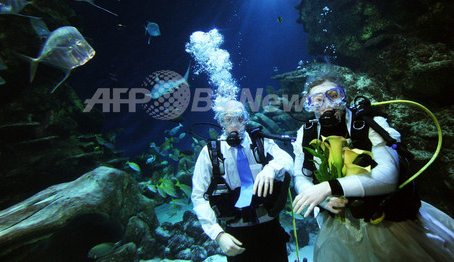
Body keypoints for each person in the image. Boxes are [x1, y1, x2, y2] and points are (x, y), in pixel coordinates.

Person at [292, 72, 454, 261]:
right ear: (309, 105)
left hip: (387, 221)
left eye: (333, 96)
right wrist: (323, 201)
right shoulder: (306, 133)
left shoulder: (370, 124)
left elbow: (388, 176)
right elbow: (301, 175)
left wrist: (329, 187)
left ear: (345, 97)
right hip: (341, 225)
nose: (326, 105)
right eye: (317, 100)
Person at [192, 98, 293, 261]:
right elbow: (198, 195)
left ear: (246, 120)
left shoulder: (261, 141)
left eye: (239, 118)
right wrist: (218, 235)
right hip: (234, 236)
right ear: (221, 122)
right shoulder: (210, 153)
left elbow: (287, 160)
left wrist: (271, 168)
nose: (234, 125)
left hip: (271, 229)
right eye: (228, 119)